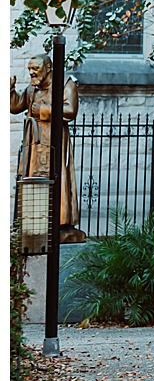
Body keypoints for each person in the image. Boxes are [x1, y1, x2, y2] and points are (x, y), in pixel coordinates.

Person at [11, 54, 83, 242]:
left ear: (49, 67)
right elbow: (16, 105)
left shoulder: (66, 85)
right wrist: (9, 89)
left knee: (56, 177)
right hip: (34, 143)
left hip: (54, 142)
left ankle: (60, 222)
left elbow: (70, 110)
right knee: (34, 177)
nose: (31, 73)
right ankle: (35, 220)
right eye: (29, 69)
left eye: (35, 68)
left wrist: (42, 110)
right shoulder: (33, 89)